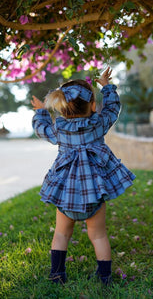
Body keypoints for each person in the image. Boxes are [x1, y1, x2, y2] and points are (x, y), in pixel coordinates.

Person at [31, 67, 136, 285]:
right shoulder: (98, 124)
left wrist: (41, 111)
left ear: (61, 108)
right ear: (93, 105)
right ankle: (105, 277)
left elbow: (41, 129)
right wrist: (107, 87)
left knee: (61, 234)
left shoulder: (59, 129)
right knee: (98, 235)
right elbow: (113, 109)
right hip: (94, 194)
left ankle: (57, 274)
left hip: (65, 196)